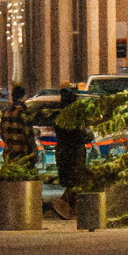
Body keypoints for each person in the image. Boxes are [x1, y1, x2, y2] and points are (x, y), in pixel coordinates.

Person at [46, 87, 92, 221]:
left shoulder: (58, 115)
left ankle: (71, 209)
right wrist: (89, 135)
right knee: (75, 180)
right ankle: (62, 204)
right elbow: (81, 135)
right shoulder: (73, 117)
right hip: (74, 151)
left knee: (70, 181)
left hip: (61, 150)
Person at [0, 85, 36, 168]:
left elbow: (2, 133)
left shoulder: (5, 113)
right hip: (23, 154)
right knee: (23, 178)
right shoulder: (24, 114)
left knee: (11, 178)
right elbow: (29, 135)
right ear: (23, 97)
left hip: (9, 153)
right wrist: (33, 151)